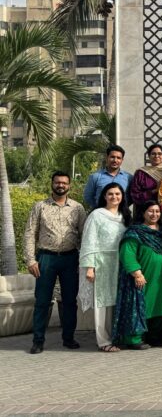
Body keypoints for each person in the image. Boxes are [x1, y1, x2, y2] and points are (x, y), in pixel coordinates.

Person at [25, 171, 87, 354]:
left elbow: (84, 235)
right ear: (52, 184)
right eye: (58, 182)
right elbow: (29, 233)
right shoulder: (40, 207)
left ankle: (68, 338)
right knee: (42, 301)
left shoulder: (77, 208)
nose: (61, 185)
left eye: (64, 183)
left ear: (69, 185)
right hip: (46, 258)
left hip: (70, 259)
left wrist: (83, 259)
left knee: (69, 301)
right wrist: (30, 260)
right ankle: (38, 340)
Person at [78, 183, 131, 352]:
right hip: (101, 263)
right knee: (102, 302)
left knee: (117, 300)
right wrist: (90, 267)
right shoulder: (97, 215)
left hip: (119, 263)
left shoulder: (125, 216)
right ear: (104, 196)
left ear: (122, 196)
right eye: (110, 194)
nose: (114, 197)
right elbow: (89, 240)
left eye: (117, 193)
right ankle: (104, 341)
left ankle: (116, 336)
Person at [112, 201, 162, 350]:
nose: (154, 214)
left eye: (157, 211)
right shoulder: (134, 232)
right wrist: (137, 273)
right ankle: (133, 338)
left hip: (159, 278)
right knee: (138, 306)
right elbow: (127, 253)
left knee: (158, 305)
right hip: (141, 277)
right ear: (143, 213)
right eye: (150, 211)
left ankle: (152, 336)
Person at [84, 145, 134, 209]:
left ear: (122, 160)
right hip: (101, 215)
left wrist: (123, 208)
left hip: (121, 216)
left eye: (118, 158)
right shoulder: (95, 177)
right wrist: (99, 208)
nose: (115, 160)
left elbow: (132, 197)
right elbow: (88, 196)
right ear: (107, 157)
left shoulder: (129, 178)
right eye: (112, 157)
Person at [130, 144, 162, 216]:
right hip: (144, 212)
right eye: (153, 154)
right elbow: (135, 195)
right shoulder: (141, 173)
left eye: (159, 154)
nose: (156, 156)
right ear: (149, 156)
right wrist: (154, 190)